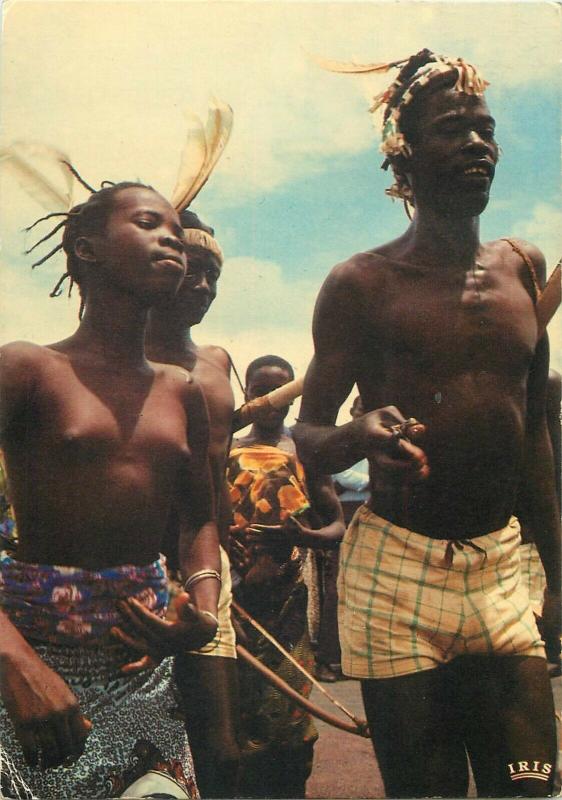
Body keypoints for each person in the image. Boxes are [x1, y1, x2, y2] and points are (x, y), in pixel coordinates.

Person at [294, 50, 560, 798]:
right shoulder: (361, 285)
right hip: (398, 571)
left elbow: (535, 432)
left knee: (531, 787)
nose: (479, 144)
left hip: (503, 570)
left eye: (486, 129)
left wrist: (560, 576)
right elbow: (306, 438)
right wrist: (359, 435)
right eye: (453, 130)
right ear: (404, 160)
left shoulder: (522, 269)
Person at [0, 181, 221, 799]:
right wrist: (12, 662)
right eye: (149, 223)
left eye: (177, 233)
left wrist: (201, 613)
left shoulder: (181, 390)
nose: (171, 240)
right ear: (86, 249)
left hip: (142, 666)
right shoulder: (27, 368)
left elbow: (199, 521)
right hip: (31, 656)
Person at [145, 210, 240, 798]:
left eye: (213, 277)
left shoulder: (218, 362)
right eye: (192, 273)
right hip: (139, 570)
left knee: (220, 749)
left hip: (209, 569)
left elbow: (215, 474)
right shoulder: (120, 363)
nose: (203, 288)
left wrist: (225, 549)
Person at [227, 354, 344, 799]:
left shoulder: (307, 452)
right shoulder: (226, 447)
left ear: (293, 398)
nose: (270, 402)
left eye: (280, 393)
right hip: (232, 596)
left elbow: (337, 525)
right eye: (260, 392)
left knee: (289, 716)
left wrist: (305, 536)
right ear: (248, 395)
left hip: (287, 598)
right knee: (232, 716)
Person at [314, 395, 370, 682]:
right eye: (361, 409)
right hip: (345, 513)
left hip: (374, 511)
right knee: (339, 586)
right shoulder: (342, 440)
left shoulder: (380, 438)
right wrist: (375, 479)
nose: (364, 415)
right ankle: (328, 658)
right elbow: (342, 476)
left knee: (370, 590)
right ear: (351, 410)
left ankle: (358, 658)